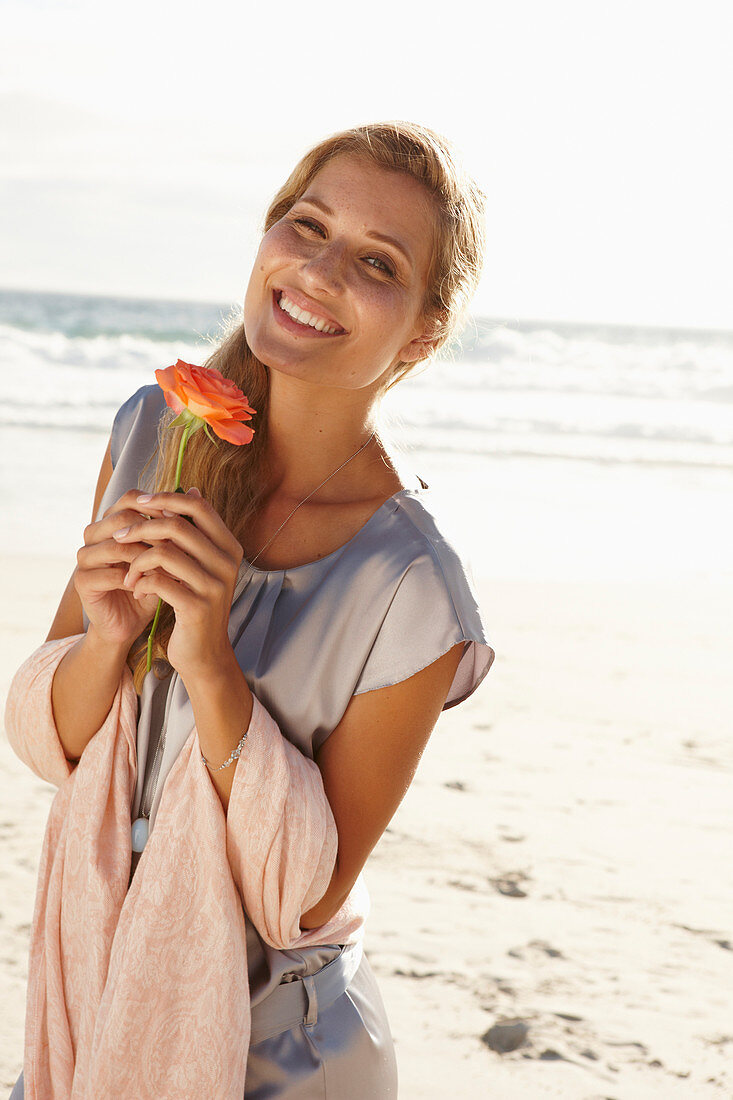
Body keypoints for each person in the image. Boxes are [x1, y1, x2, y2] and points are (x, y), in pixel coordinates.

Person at [6, 121, 494, 1099]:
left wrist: (213, 664)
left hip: (279, 1050)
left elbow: (300, 895)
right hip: (98, 1001)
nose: (316, 270)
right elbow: (45, 739)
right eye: (304, 225)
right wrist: (106, 641)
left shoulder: (412, 590)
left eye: (374, 260)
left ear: (424, 329)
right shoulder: (158, 431)